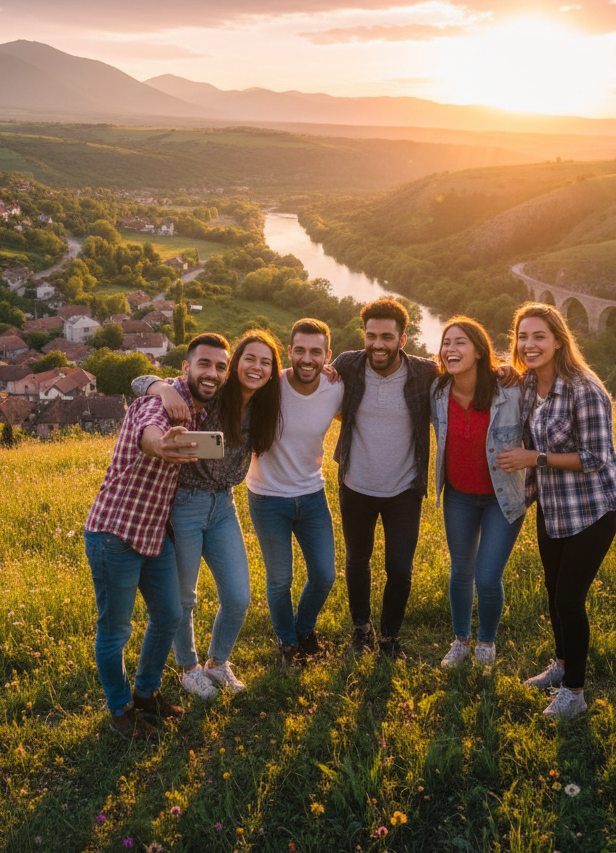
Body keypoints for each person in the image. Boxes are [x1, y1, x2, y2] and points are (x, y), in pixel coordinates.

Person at [82, 339, 222, 739]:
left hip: (155, 534)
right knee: (115, 630)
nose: (212, 372)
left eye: (219, 367)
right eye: (204, 364)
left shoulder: (195, 404)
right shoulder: (162, 403)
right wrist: (160, 444)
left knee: (169, 616)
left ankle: (146, 693)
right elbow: (150, 433)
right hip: (115, 533)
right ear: (186, 366)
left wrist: (153, 382)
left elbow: (141, 378)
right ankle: (120, 711)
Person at [137, 330, 284, 698]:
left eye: (265, 362)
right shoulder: (213, 394)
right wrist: (162, 387)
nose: (257, 367)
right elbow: (140, 381)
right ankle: (188, 668)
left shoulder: (267, 404)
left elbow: (309, 375)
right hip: (185, 504)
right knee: (185, 598)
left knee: (238, 596)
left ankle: (218, 663)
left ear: (272, 371)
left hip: (224, 506)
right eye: (249, 358)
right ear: (234, 365)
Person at [498, 302, 616, 720]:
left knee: (570, 599)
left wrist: (534, 458)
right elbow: (496, 375)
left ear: (558, 340)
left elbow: (595, 458)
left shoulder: (584, 388)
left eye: (539, 336)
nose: (529, 344)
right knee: (553, 592)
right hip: (553, 507)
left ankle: (575, 693)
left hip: (591, 508)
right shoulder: (530, 381)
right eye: (523, 337)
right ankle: (562, 664)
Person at [330, 298, 438, 660]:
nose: (378, 344)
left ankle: (390, 638)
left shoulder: (425, 373)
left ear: (402, 339)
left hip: (404, 490)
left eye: (387, 337)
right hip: (355, 485)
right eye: (371, 335)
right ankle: (362, 628)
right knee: (357, 560)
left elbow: (469, 374)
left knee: (399, 568)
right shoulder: (347, 364)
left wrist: (501, 372)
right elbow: (310, 382)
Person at [430, 316, 527, 669]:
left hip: (502, 498)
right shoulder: (437, 393)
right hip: (458, 496)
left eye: (460, 343)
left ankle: (486, 643)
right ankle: (460, 640)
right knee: (461, 571)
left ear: (478, 351)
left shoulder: (510, 390)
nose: (451, 349)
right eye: (446, 343)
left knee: (487, 576)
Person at [245, 318, 344, 665]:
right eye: (299, 350)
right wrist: (158, 387)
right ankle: (288, 644)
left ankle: (304, 630)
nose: (307, 358)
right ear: (288, 352)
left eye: (316, 352)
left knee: (325, 575)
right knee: (280, 578)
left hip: (312, 496)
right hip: (268, 498)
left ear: (327, 355)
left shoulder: (336, 388)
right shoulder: (268, 384)